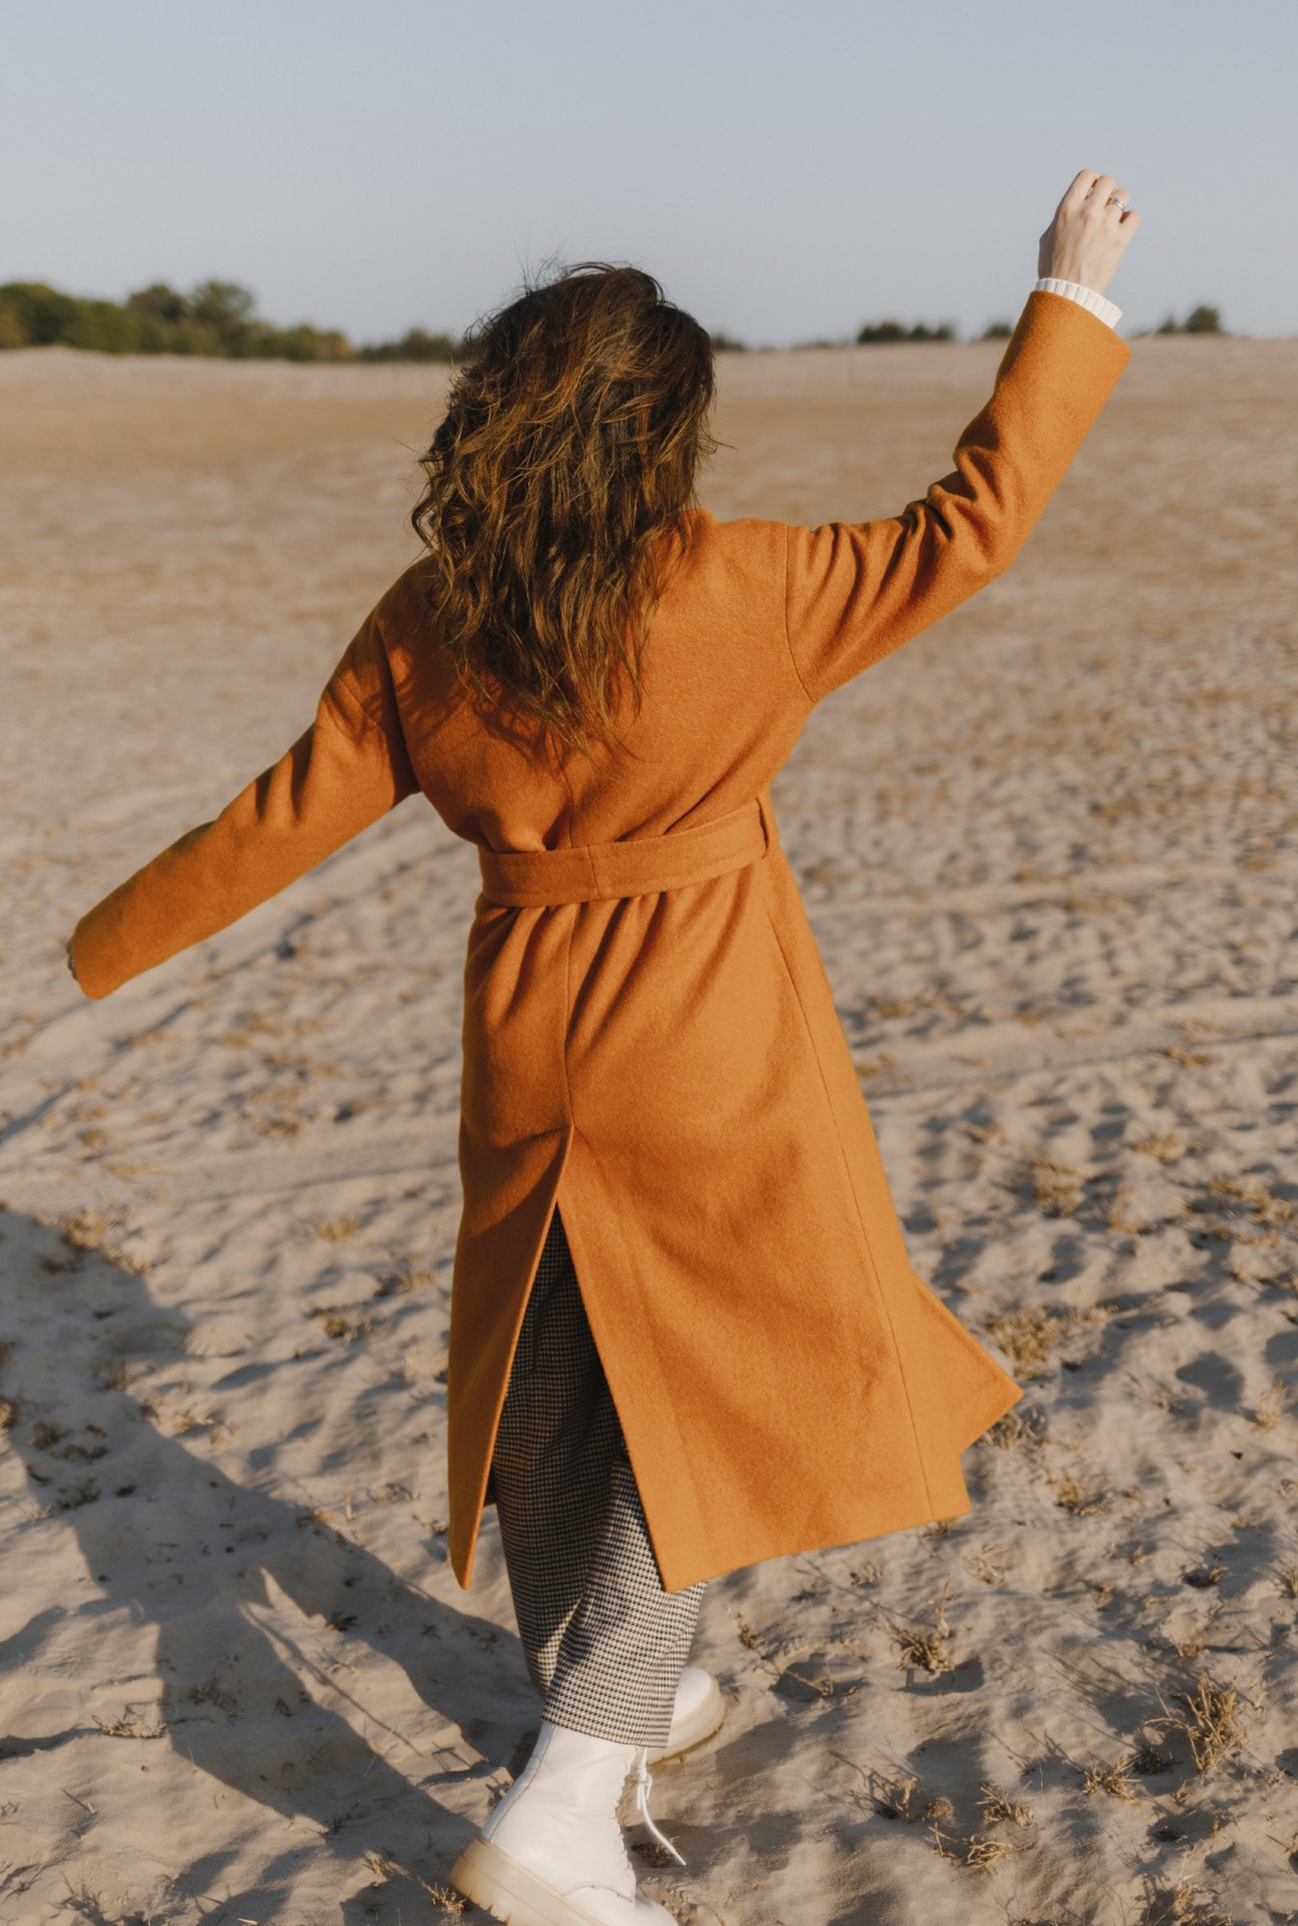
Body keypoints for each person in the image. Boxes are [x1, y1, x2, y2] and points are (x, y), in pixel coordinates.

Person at [67, 170, 1140, 1924]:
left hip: (525, 1036)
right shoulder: (753, 588)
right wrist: (1068, 299)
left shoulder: (431, 615)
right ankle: (565, 1800)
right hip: (707, 1046)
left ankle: (637, 1700)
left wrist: (101, 946)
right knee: (693, 1417)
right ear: (669, 434)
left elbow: (278, 815)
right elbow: (977, 516)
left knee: (558, 1381)